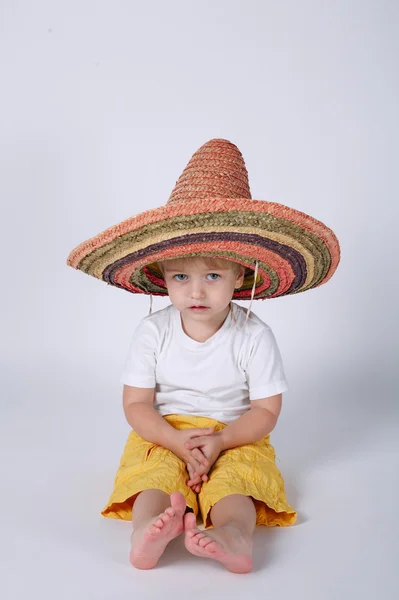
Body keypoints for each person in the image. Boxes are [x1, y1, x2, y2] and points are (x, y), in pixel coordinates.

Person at [67, 138, 340, 573]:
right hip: (165, 429)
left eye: (213, 275)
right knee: (151, 476)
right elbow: (136, 404)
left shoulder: (253, 335)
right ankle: (149, 529)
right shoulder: (151, 332)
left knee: (238, 479)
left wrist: (223, 440)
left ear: (241, 276)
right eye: (181, 276)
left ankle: (233, 534)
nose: (196, 291)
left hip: (234, 430)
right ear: (162, 277)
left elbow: (266, 410)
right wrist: (175, 440)